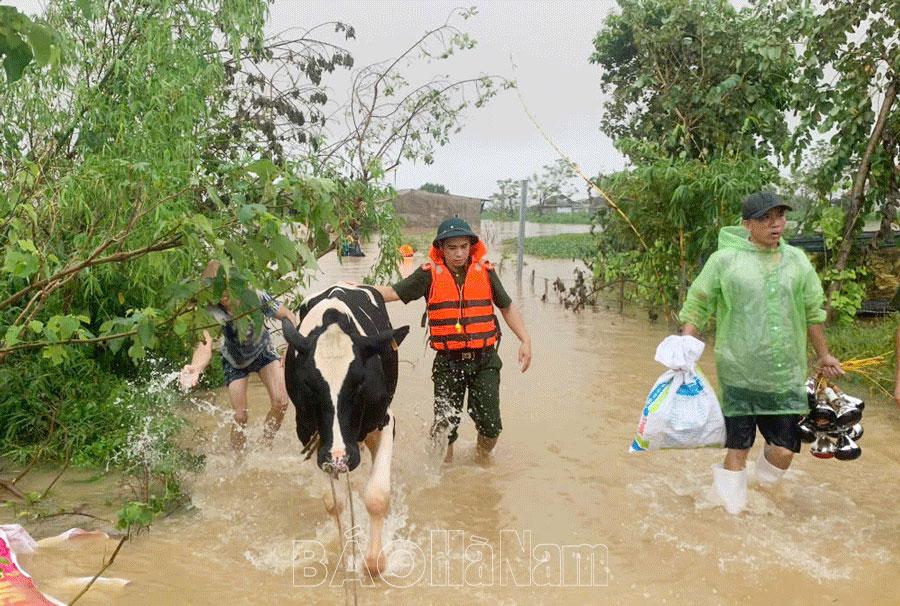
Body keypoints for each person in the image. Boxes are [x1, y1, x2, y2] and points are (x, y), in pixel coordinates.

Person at [679, 192, 844, 514]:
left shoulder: (797, 260)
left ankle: (760, 492)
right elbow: (698, 303)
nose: (775, 224)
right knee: (738, 447)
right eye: (766, 218)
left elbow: (813, 312)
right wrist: (685, 347)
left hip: (784, 374)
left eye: (780, 216)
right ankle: (732, 513)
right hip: (738, 370)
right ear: (747, 225)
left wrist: (824, 355)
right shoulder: (725, 260)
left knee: (783, 450)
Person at [371, 217, 532, 463]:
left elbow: (507, 307)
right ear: (441, 249)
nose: (458, 254)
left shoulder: (486, 273)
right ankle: (445, 477)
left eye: (463, 247)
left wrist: (525, 340)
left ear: (471, 247)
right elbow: (393, 292)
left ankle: (481, 462)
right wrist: (358, 290)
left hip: (484, 360)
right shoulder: (428, 275)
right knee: (444, 429)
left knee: (491, 427)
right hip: (449, 363)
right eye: (452, 248)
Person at [179, 261, 299, 450]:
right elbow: (204, 344)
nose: (223, 295)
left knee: (281, 402)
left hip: (263, 352)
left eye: (226, 287)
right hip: (235, 361)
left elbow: (288, 316)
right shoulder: (210, 311)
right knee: (240, 416)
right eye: (217, 290)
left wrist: (290, 348)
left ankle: (264, 445)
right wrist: (197, 367)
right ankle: (237, 459)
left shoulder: (254, 296)